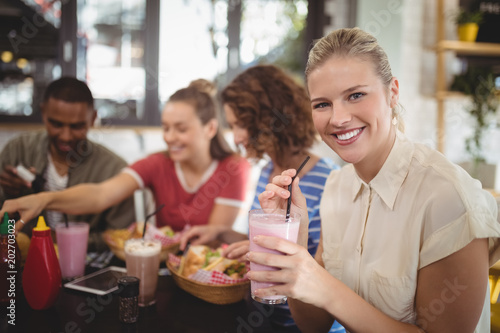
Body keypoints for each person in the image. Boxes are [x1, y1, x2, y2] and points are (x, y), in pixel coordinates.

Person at [242, 28, 500, 332]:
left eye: (356, 95)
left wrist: (325, 287)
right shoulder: (336, 188)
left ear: (392, 93)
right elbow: (315, 325)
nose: (338, 118)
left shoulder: (448, 198)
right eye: (322, 104)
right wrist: (295, 240)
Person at [181, 65, 344, 332]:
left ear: (267, 120)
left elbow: (330, 275)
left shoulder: (330, 181)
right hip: (264, 316)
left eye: (239, 125)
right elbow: (262, 245)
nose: (236, 138)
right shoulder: (268, 171)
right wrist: (221, 233)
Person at [1, 79, 251, 243]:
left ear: (210, 129)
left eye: (181, 129)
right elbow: (100, 194)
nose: (170, 138)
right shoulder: (157, 163)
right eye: (165, 128)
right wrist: (43, 198)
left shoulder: (234, 168)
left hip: (205, 275)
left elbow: (210, 241)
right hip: (165, 267)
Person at [0, 77, 135, 251]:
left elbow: (120, 236)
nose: (65, 136)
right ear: (43, 113)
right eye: (56, 124)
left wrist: (62, 239)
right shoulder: (18, 151)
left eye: (77, 126)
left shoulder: (113, 168)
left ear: (93, 118)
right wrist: (9, 194)